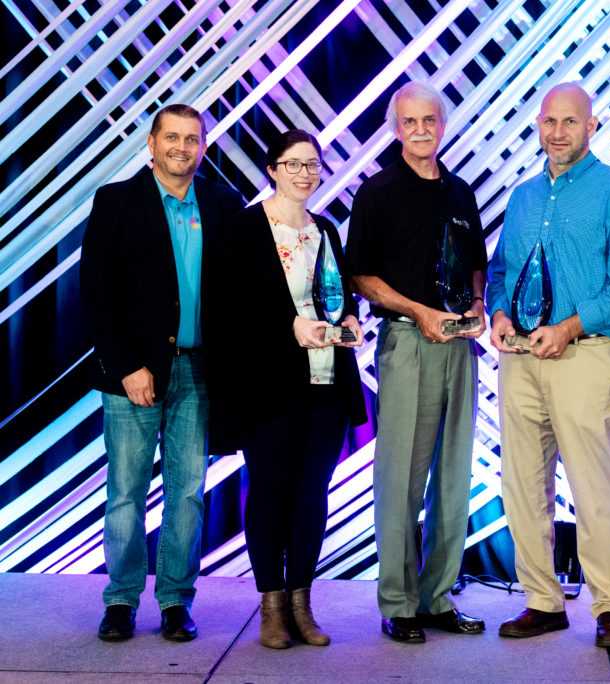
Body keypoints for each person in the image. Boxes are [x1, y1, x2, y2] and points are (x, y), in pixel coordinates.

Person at [487, 82, 610, 649]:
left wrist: (569, 327)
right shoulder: (523, 197)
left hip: (585, 355)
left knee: (594, 485)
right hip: (521, 361)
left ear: (592, 125)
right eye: (548, 122)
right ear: (537, 125)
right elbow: (502, 270)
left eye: (569, 122)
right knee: (522, 485)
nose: (557, 133)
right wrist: (499, 314)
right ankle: (542, 600)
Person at [79, 104, 244, 641]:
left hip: (199, 372)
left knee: (187, 493)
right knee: (125, 491)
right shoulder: (116, 201)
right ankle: (122, 601)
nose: (181, 147)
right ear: (151, 143)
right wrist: (127, 367)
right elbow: (96, 295)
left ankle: (175, 600)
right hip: (133, 376)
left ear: (203, 145)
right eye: (170, 137)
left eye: (192, 139)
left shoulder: (224, 204)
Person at [205, 130, 368, 649]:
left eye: (312, 165)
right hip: (268, 386)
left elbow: (338, 296)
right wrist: (288, 325)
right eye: (292, 164)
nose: (303, 173)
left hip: (326, 384)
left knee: (311, 495)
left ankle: (303, 604)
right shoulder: (246, 227)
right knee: (271, 492)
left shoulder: (326, 231)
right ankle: (271, 607)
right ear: (271, 169)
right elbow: (225, 306)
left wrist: (348, 319)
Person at [346, 82, 488, 643]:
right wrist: (416, 311)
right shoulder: (377, 194)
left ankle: (436, 598)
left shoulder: (461, 193)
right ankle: (399, 603)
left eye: (430, 119)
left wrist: (477, 303)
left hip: (460, 346)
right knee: (400, 479)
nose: (421, 129)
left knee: (454, 479)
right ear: (395, 128)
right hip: (407, 343)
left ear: (442, 124)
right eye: (410, 121)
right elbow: (360, 275)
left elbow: (476, 264)